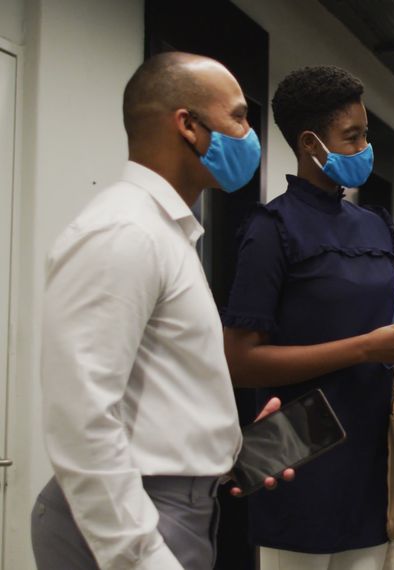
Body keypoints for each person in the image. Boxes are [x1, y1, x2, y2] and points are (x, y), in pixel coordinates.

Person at [31, 51, 292, 570]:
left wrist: (227, 440)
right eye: (238, 116)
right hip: (137, 519)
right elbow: (81, 416)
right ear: (189, 127)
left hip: (176, 505)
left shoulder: (164, 231)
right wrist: (140, 554)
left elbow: (159, 390)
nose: (249, 133)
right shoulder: (125, 233)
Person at [220, 65, 394, 570]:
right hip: (293, 445)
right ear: (310, 142)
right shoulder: (270, 229)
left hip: (370, 439)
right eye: (353, 136)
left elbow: (381, 321)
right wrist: (367, 348)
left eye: (366, 135)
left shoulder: (375, 226)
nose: (366, 148)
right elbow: (241, 360)